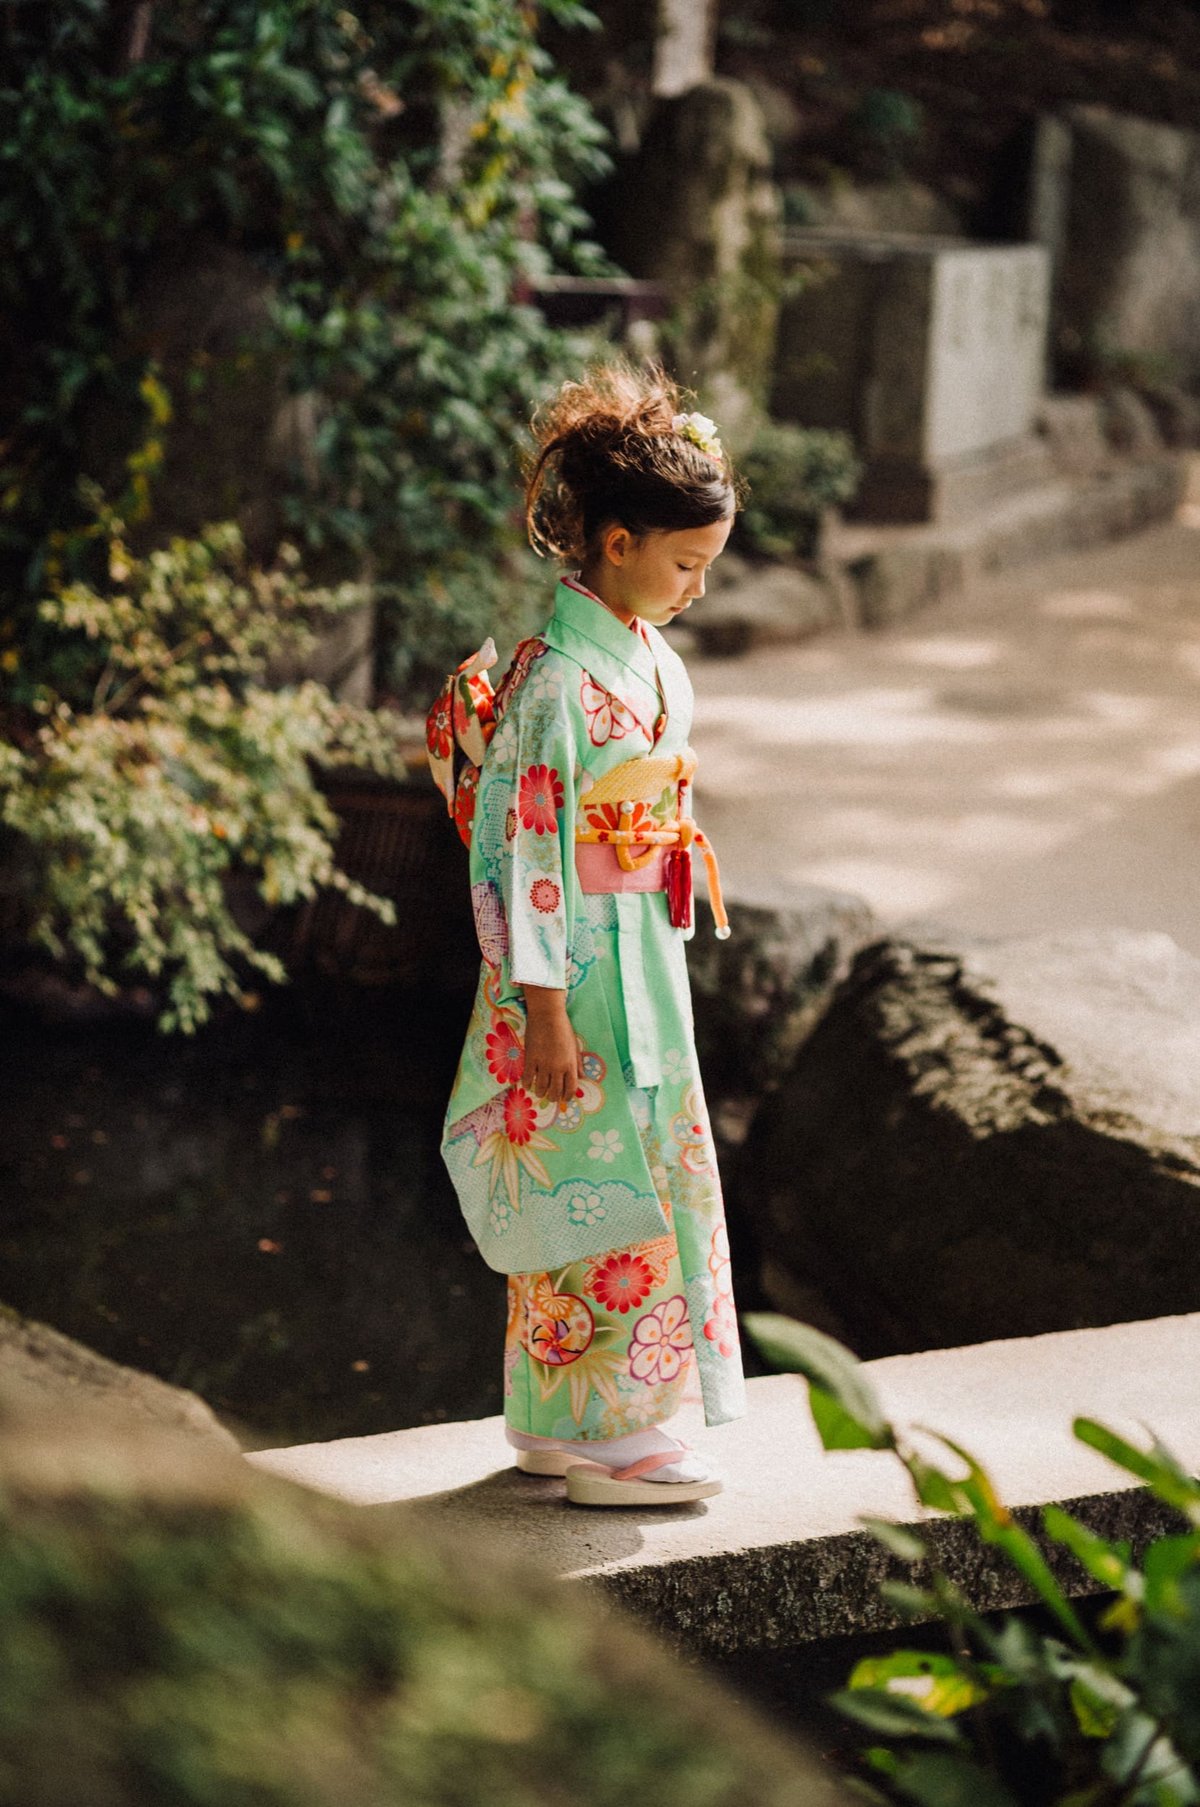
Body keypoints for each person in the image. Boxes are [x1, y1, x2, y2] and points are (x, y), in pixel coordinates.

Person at [433, 362, 746, 1506]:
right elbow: (520, 853)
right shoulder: (557, 684)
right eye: (683, 565)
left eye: (705, 569)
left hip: (636, 944)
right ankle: (617, 1440)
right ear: (616, 543)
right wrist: (546, 1009)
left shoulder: (644, 658)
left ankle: (553, 1419)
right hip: (571, 970)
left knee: (610, 1168)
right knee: (600, 1175)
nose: (695, 589)